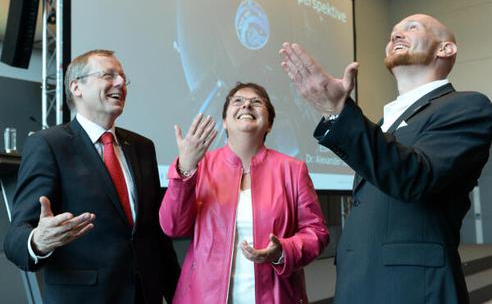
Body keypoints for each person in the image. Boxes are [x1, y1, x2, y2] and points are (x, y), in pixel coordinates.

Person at [279, 14, 492, 304]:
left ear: (446, 49)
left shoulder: (468, 106)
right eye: (392, 33)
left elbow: (416, 177)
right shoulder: (382, 124)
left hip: (414, 289)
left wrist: (339, 112)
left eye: (411, 27)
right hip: (358, 283)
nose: (396, 35)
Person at [4, 50, 180, 304]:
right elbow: (15, 237)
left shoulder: (142, 147)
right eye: (108, 75)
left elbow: (156, 234)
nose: (120, 83)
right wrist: (38, 242)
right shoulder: (48, 145)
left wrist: (178, 293)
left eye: (122, 77)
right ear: (76, 87)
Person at [159, 82, 329, 303]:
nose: (247, 105)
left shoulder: (293, 170)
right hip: (203, 296)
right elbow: (172, 226)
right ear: (224, 122)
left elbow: (317, 232)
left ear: (269, 124)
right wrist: (185, 169)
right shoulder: (198, 165)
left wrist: (282, 251)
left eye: (257, 102)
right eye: (238, 101)